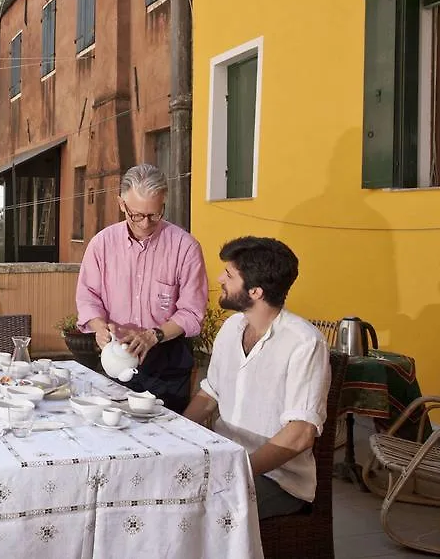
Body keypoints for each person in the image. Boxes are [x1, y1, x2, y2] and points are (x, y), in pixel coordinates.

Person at [183, 236, 331, 520]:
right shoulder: (231, 327)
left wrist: (237, 471)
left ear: (255, 291)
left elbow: (300, 434)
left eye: (229, 275)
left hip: (276, 479)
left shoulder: (304, 343)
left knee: (191, 512)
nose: (220, 279)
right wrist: (175, 434)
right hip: (223, 459)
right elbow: (210, 393)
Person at [75, 163, 208, 413]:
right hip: (116, 356)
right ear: (121, 204)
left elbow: (192, 311)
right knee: (112, 429)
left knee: (169, 432)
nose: (145, 224)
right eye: (136, 215)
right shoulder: (102, 244)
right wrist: (99, 327)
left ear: (163, 204)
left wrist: (153, 335)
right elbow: (88, 297)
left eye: (154, 215)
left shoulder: (185, 247)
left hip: (167, 361)